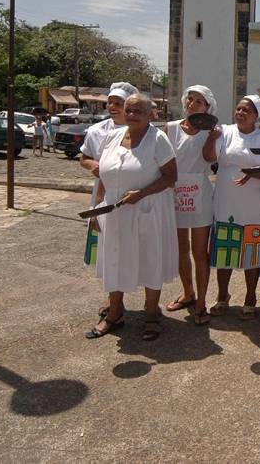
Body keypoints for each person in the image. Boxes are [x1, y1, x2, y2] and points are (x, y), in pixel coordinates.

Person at [85, 93, 178, 341]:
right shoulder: (112, 137)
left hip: (147, 210)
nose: (132, 115)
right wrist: (96, 209)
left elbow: (171, 177)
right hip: (113, 213)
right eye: (129, 110)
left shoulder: (158, 140)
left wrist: (142, 193)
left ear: (150, 115)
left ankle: (151, 315)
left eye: (138, 111)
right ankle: (115, 314)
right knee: (114, 259)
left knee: (149, 259)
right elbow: (105, 174)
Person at [203, 95, 260, 320]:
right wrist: (210, 139)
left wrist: (251, 173)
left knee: (251, 252)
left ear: (257, 116)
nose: (241, 113)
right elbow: (209, 158)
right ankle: (222, 296)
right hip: (225, 201)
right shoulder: (224, 132)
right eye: (239, 108)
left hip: (253, 203)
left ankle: (250, 297)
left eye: (247, 110)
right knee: (225, 249)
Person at [79, 81, 137, 313]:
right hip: (104, 192)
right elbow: (83, 158)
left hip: (132, 195)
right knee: (107, 248)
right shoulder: (97, 131)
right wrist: (94, 164)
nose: (113, 107)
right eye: (110, 103)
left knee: (132, 247)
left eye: (119, 103)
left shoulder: (142, 130)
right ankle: (114, 298)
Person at [164, 85, 216, 325]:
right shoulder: (172, 128)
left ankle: (202, 302)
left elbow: (209, 159)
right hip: (175, 191)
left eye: (198, 102)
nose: (192, 104)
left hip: (200, 192)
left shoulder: (211, 131)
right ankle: (188, 292)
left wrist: (212, 138)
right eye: (190, 99)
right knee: (180, 248)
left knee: (199, 252)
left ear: (207, 108)